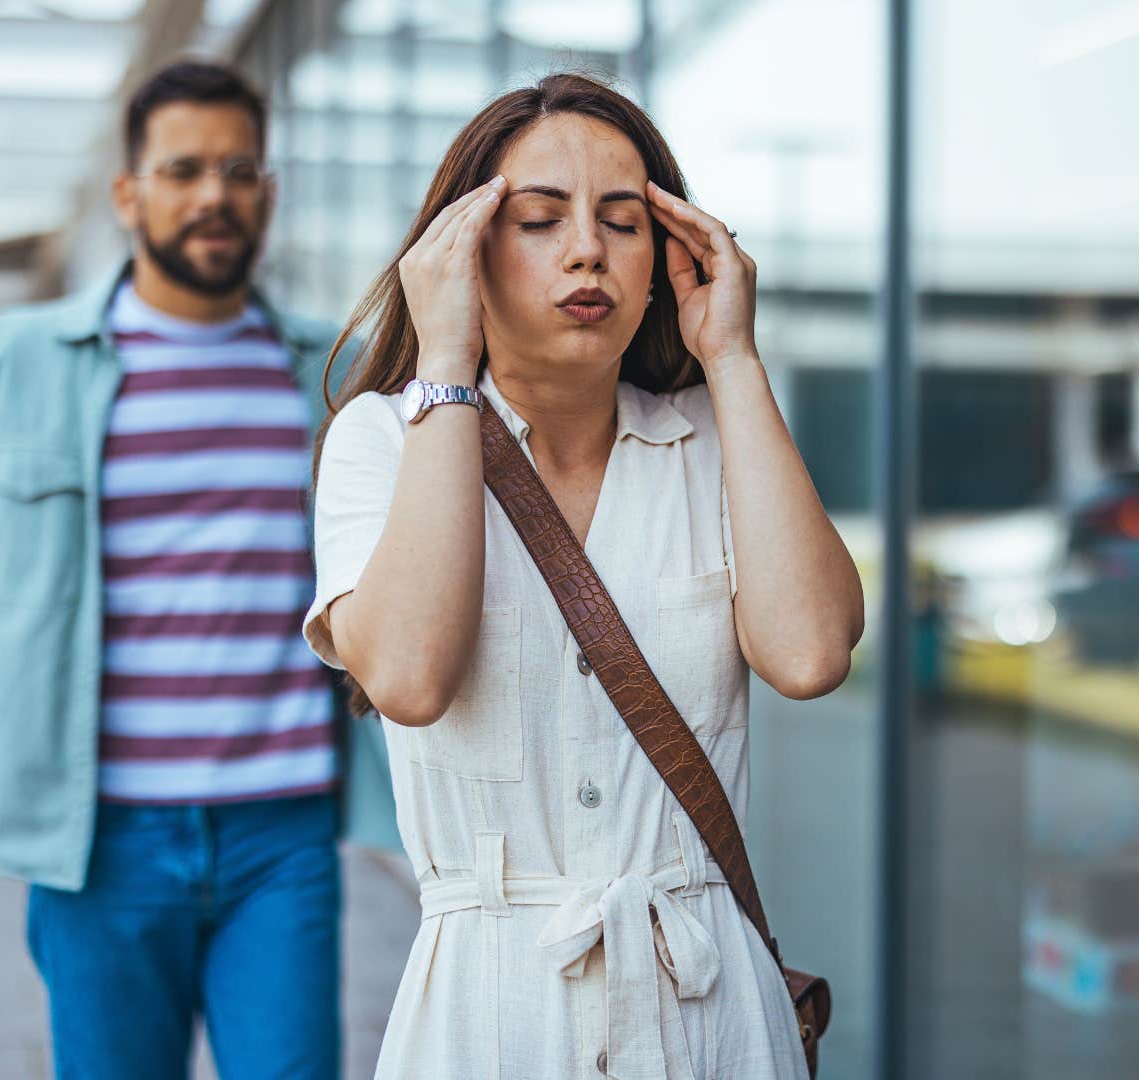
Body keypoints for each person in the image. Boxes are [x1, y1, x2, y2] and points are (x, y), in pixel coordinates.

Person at [0, 59, 401, 1079]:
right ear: (128, 194)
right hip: (98, 843)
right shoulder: (14, 362)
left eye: (240, 170)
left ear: (269, 192)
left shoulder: (338, 371)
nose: (214, 196)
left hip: (281, 839)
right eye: (183, 169)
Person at [303, 72, 865, 1078]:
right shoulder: (384, 440)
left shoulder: (712, 444)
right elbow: (409, 677)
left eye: (622, 220)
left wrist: (732, 358)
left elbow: (812, 651)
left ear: (666, 258)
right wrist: (443, 358)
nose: (586, 251)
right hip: (489, 1013)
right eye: (538, 220)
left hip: (711, 1015)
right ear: (463, 248)